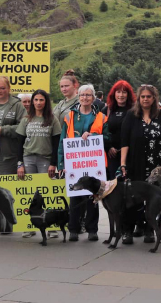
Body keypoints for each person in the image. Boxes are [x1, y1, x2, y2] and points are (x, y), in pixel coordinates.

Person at [119, 84, 161, 244]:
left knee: (153, 200)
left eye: (148, 96)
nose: (145, 99)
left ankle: (149, 230)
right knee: (131, 198)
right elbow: (125, 141)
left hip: (157, 167)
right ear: (138, 98)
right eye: (142, 96)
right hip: (136, 164)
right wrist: (123, 164)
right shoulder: (131, 116)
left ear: (154, 98)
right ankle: (127, 231)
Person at [55, 84, 109, 242]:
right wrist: (61, 164)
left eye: (88, 95)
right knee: (75, 196)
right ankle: (73, 228)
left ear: (93, 98)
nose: (85, 98)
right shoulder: (69, 116)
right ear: (78, 97)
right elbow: (62, 141)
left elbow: (107, 139)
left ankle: (92, 229)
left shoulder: (101, 117)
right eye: (82, 95)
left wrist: (93, 135)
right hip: (74, 162)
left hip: (93, 163)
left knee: (93, 196)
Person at [15, 89, 62, 238]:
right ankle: (30, 226)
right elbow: (19, 143)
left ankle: (51, 227)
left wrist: (53, 163)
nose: (38, 103)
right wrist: (19, 164)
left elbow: (56, 144)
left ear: (46, 102)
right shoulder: (26, 119)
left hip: (45, 159)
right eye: (36, 100)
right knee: (31, 194)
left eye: (41, 100)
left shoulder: (52, 120)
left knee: (46, 193)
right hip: (28, 158)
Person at [101, 80, 136, 180]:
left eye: (124, 92)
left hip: (130, 153)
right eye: (118, 92)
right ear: (114, 94)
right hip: (111, 155)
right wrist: (108, 147)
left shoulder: (134, 111)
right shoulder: (107, 110)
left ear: (128, 94)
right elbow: (102, 131)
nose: (121, 95)